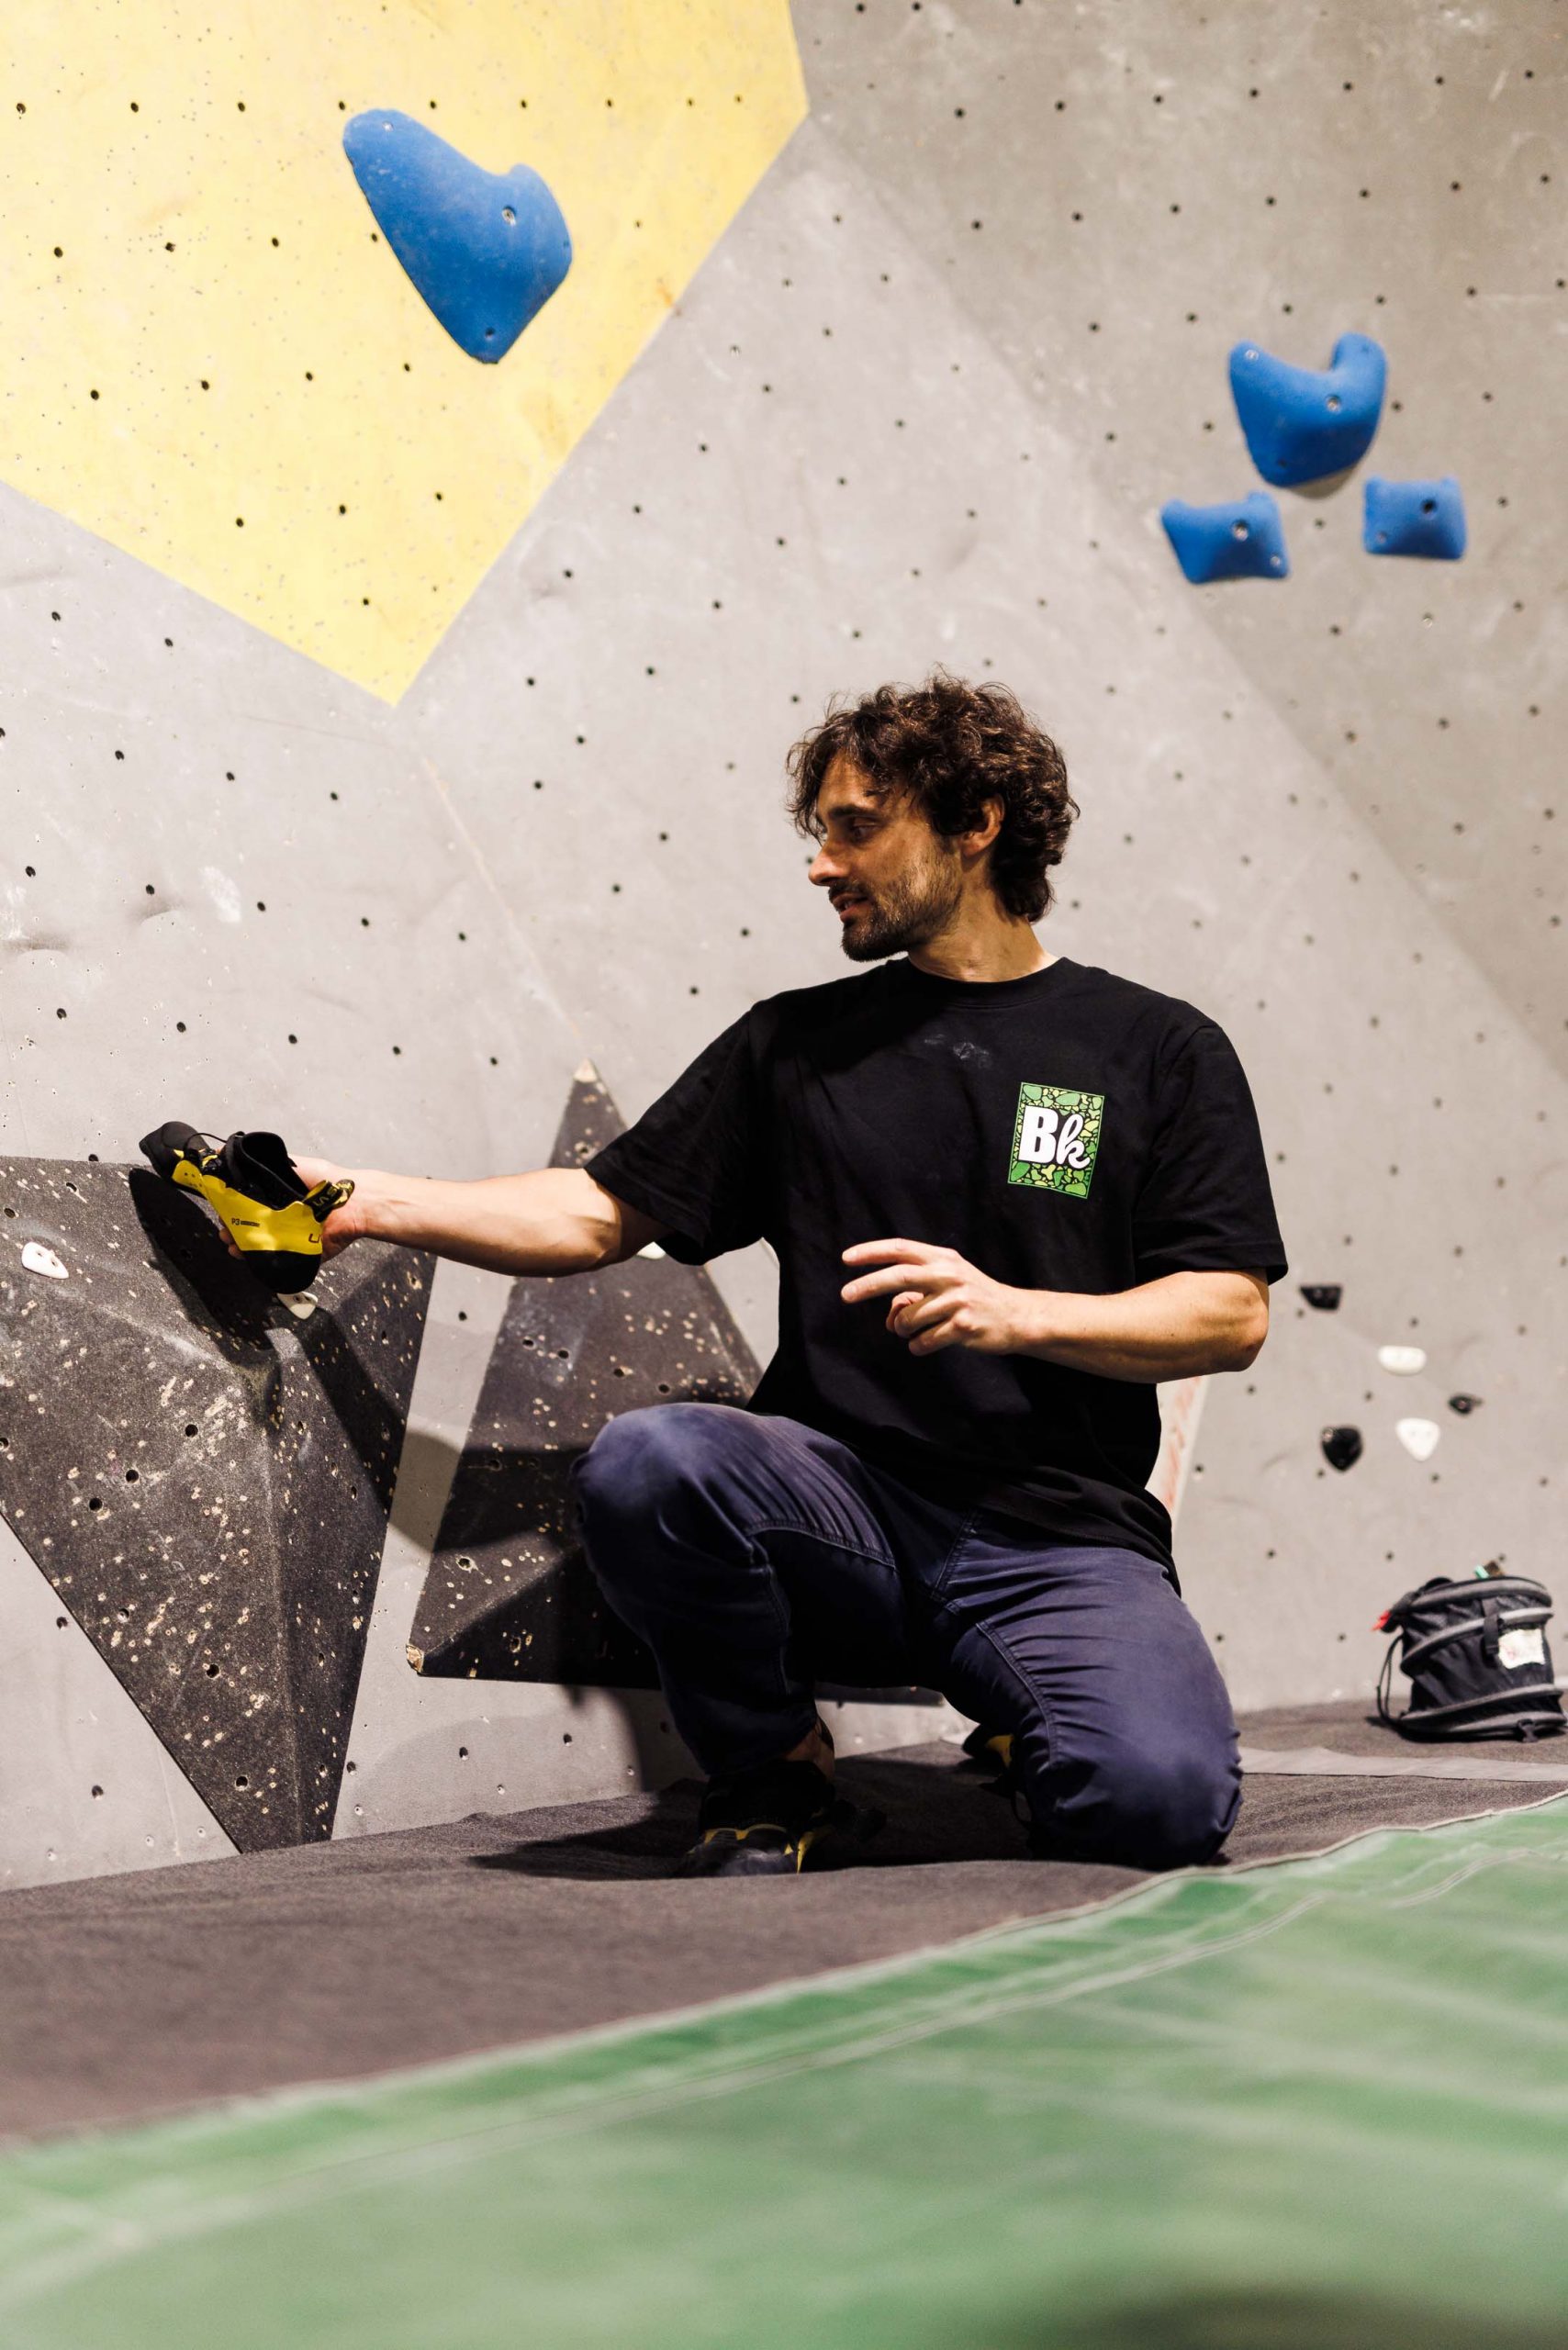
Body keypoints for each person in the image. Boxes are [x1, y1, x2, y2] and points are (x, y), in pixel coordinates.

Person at [279, 670, 1287, 1880]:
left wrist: (1016, 1314)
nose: (822, 865)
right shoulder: (796, 1046)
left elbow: (1229, 1312)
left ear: (976, 825)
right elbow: (596, 1213)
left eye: (857, 827)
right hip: (841, 1513)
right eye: (821, 832)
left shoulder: (1158, 1048)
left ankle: (1034, 1719)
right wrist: (361, 1201)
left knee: (1159, 1808)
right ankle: (772, 1766)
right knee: (655, 1462)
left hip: (1057, 1541)